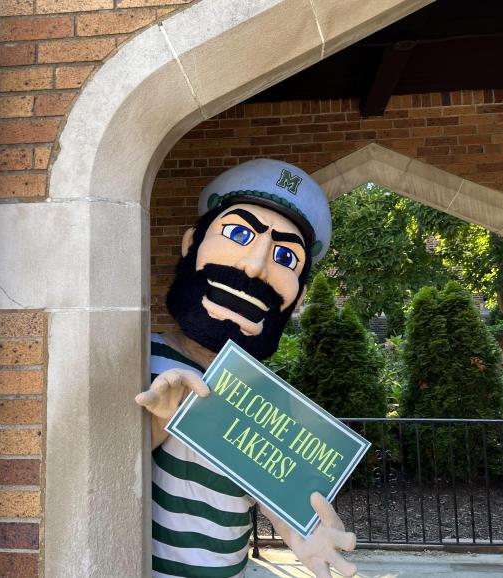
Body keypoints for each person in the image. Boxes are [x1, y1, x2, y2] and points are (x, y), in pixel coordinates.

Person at [136, 159, 357, 578]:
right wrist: (162, 422)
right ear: (191, 245)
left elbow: (276, 489)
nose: (255, 266)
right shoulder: (140, 356)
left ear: (299, 296)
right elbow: (96, 468)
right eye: (238, 234)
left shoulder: (261, 394)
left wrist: (303, 536)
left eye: (284, 257)